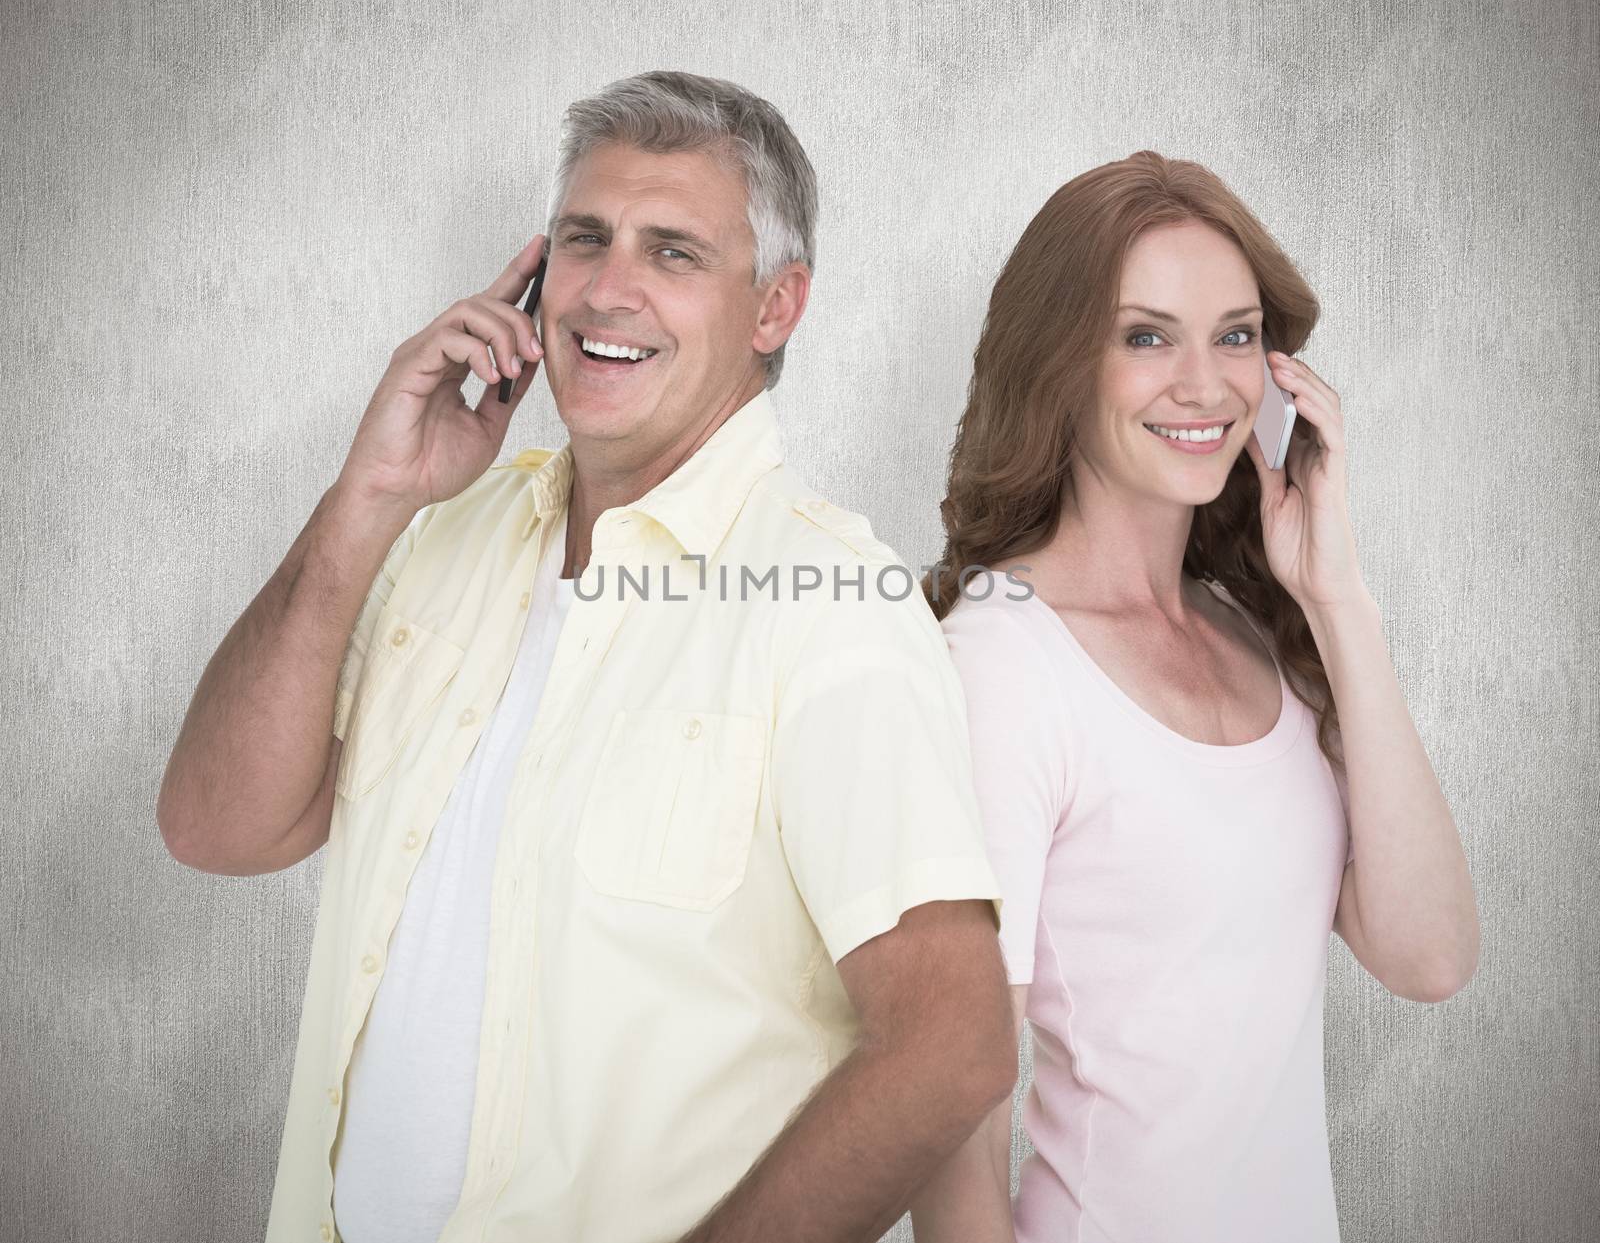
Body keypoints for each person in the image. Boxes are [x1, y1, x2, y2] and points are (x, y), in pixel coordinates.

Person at [157, 70, 1015, 1243]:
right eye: (584, 239)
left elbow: (951, 1046)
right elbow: (218, 827)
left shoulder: (834, 606)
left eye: (672, 252)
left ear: (774, 309)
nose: (607, 291)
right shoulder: (440, 539)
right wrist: (367, 499)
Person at [909, 152, 1479, 1243]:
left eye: (1234, 334)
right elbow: (956, 1108)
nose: (1206, 384)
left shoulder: (1248, 627)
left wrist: (1337, 600)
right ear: (1056, 366)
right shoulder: (1001, 667)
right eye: (1144, 336)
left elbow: (1429, 957)